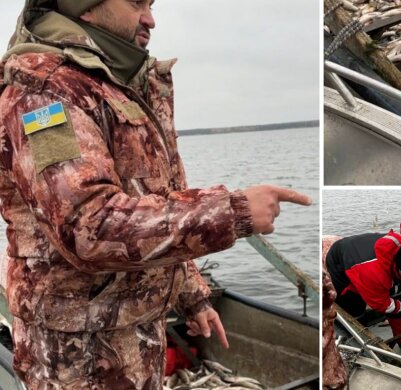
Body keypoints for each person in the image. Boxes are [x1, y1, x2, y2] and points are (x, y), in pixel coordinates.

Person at [0, 0, 311, 388]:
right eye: (136, 3)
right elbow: (88, 227)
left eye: (150, 4)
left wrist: (190, 294)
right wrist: (233, 213)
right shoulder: (45, 94)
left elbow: (160, 199)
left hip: (137, 331)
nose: (150, 18)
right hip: (77, 355)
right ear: (86, 8)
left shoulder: (124, 85)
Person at [325, 231, 401, 349]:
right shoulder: (373, 274)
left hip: (366, 252)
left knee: (397, 297)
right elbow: (382, 305)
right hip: (342, 263)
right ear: (397, 268)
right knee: (354, 305)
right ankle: (358, 338)